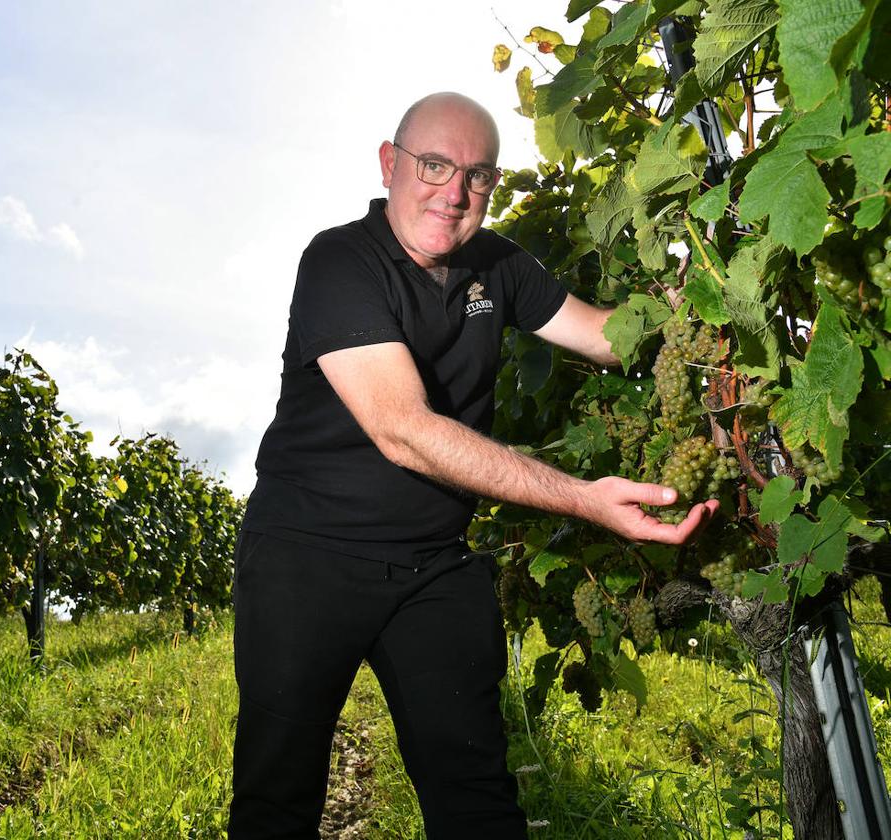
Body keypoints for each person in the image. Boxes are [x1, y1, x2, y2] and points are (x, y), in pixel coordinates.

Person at [228, 91, 718, 839]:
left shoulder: (500, 267)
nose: (454, 193)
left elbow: (609, 338)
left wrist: (707, 291)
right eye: (434, 165)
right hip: (306, 556)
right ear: (390, 164)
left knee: (478, 798)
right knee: (278, 797)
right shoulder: (339, 261)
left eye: (478, 176)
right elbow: (403, 431)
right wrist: (584, 498)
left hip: (432, 566)